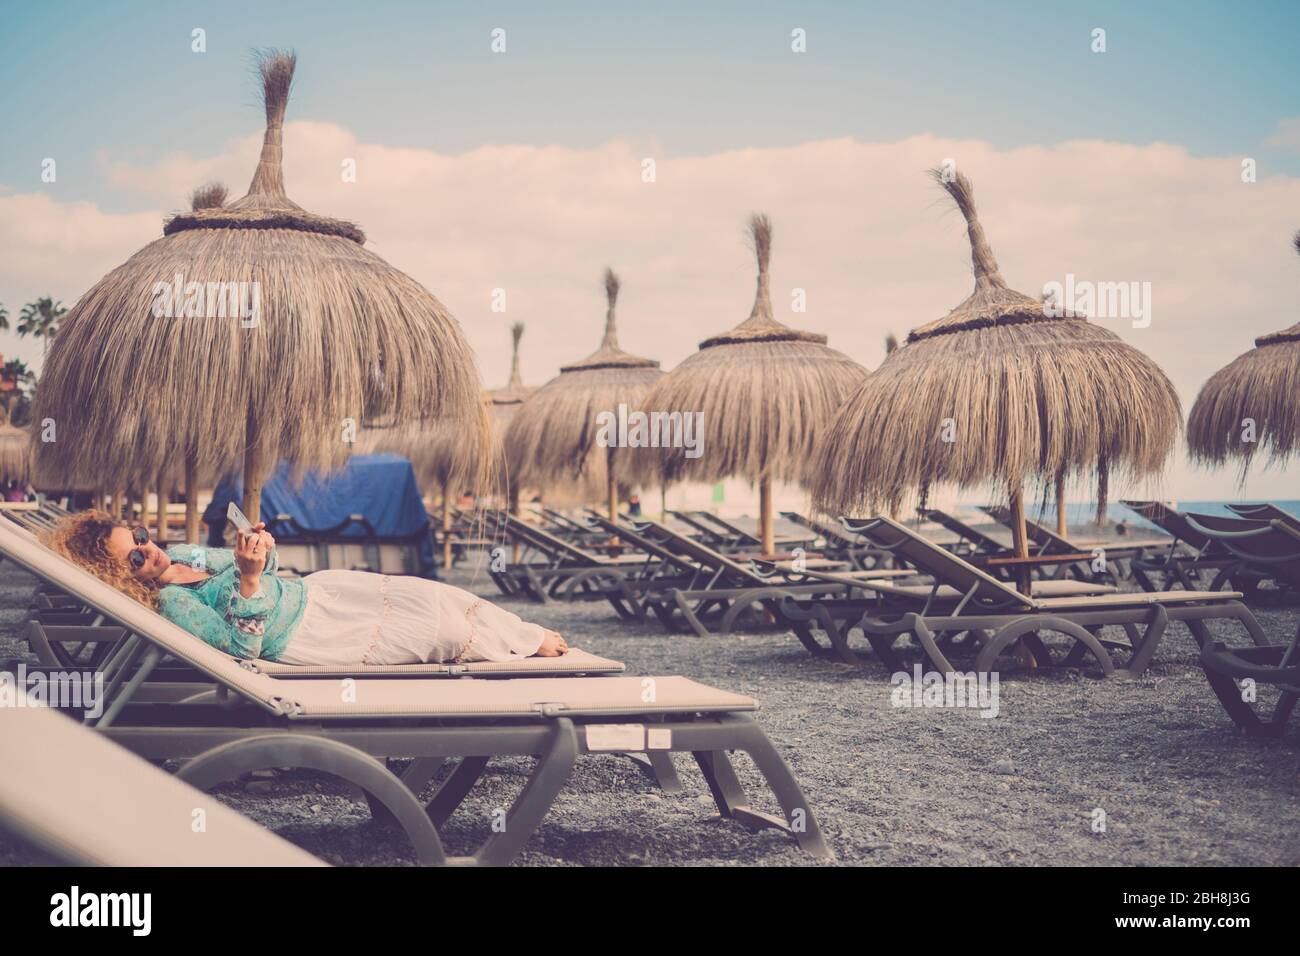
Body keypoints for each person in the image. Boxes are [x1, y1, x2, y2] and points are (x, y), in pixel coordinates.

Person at [44, 510, 568, 665]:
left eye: (140, 536)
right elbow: (242, 648)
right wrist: (249, 578)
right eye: (135, 555)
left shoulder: (181, 555)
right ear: (121, 576)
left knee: (429, 593)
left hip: (315, 592)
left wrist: (258, 556)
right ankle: (521, 649)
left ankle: (522, 633)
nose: (150, 548)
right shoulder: (174, 604)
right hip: (307, 634)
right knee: (438, 627)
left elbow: (263, 571)